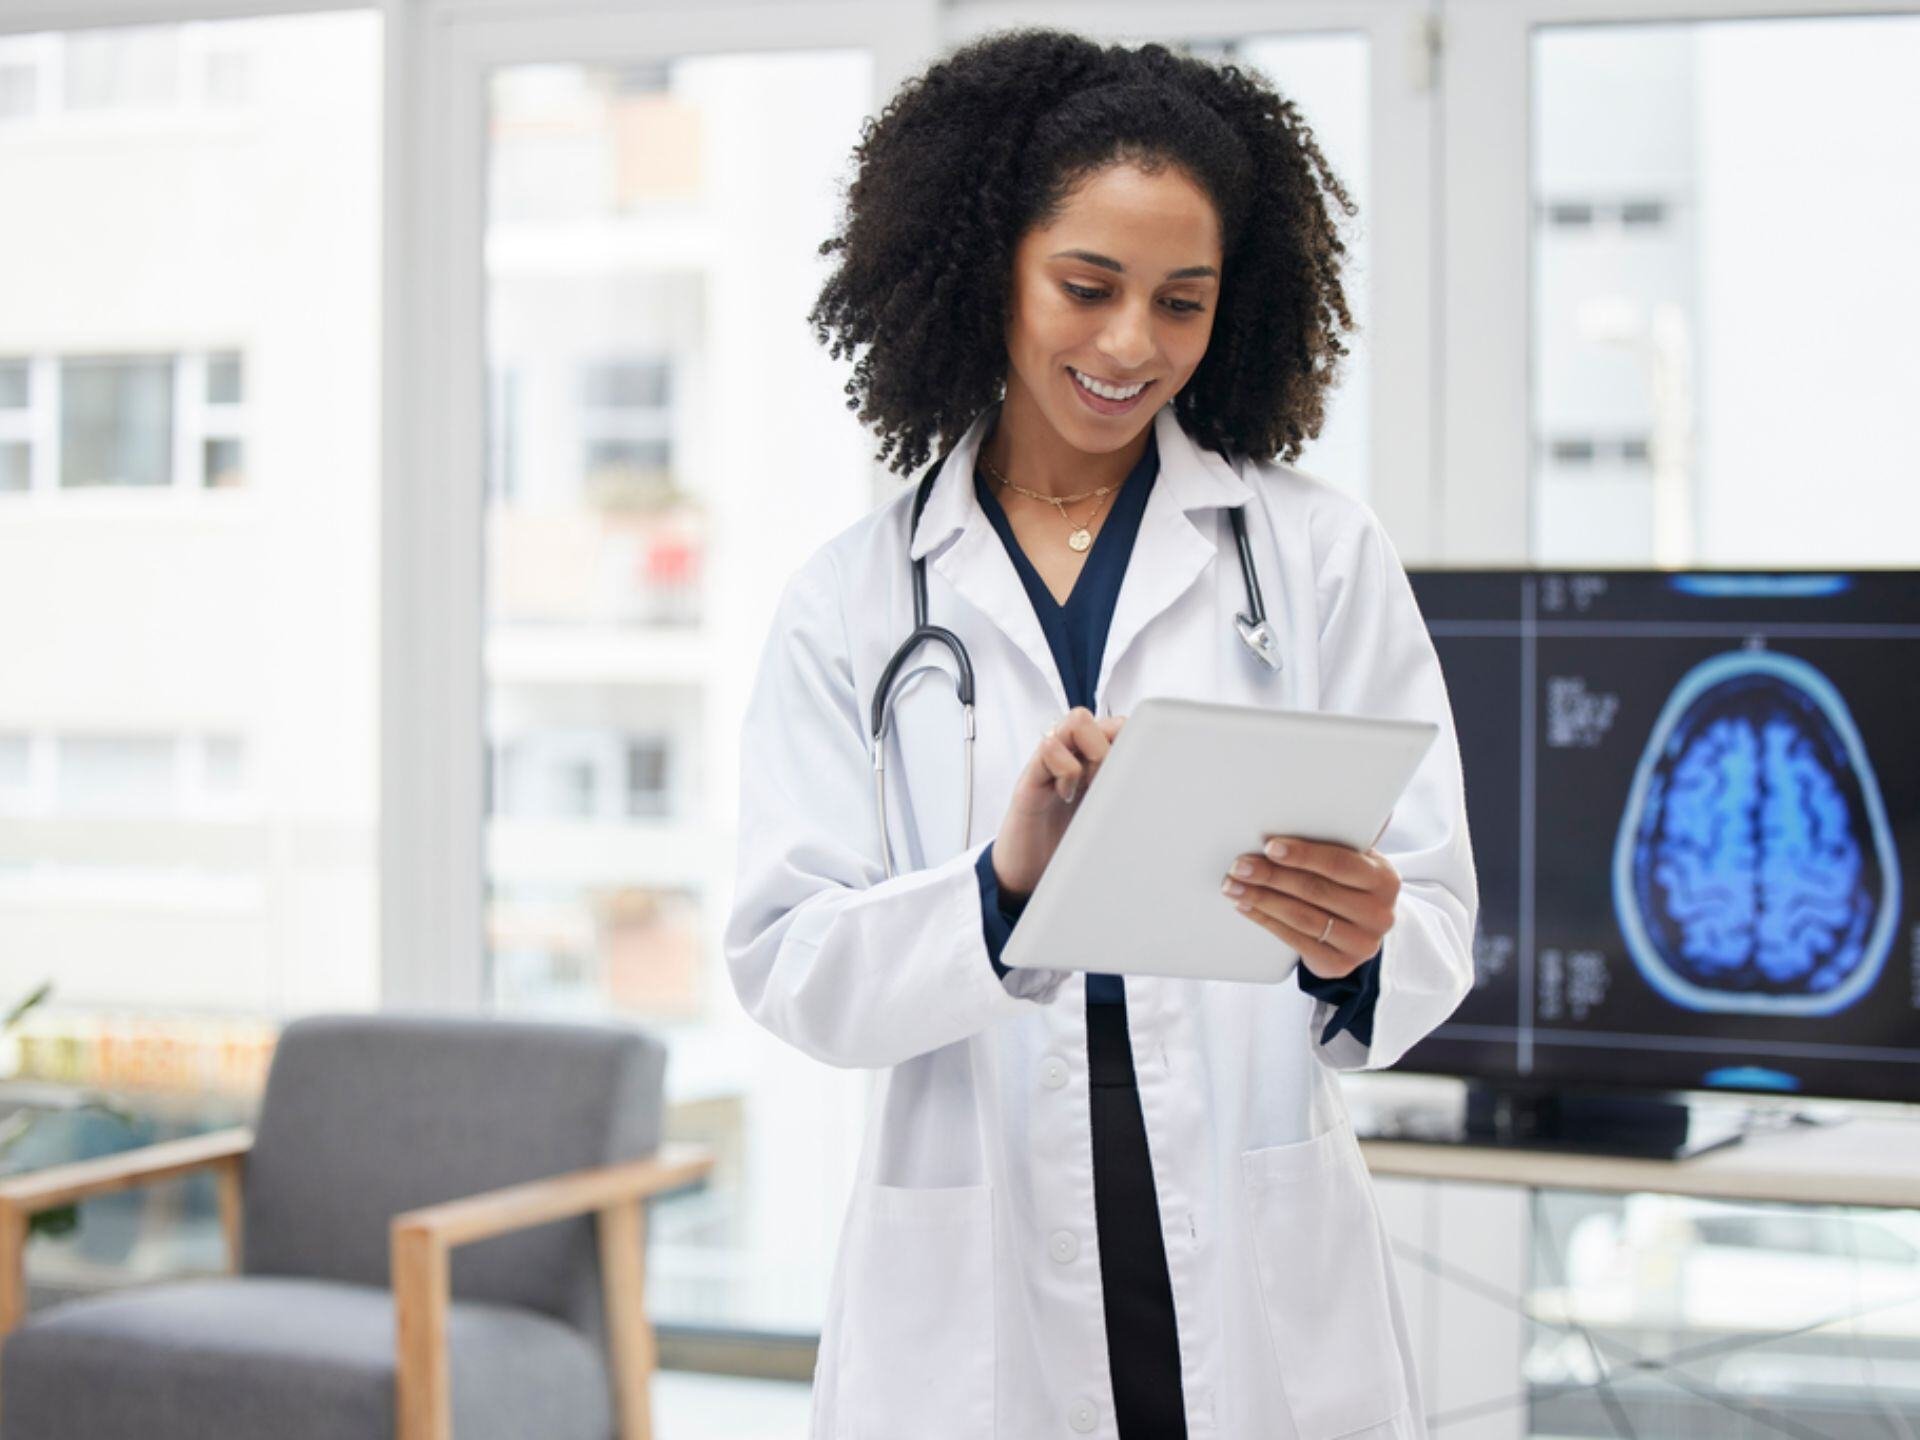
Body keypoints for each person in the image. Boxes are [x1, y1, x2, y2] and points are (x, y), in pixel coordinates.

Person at [724, 27, 1477, 1440]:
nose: (1132, 344)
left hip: (1250, 1245)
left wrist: (1363, 942)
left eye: (1181, 303)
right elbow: (792, 964)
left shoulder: (1315, 557)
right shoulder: (855, 599)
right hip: (979, 1265)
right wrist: (1003, 887)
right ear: (990, 268)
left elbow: (1433, 914)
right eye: (1087, 287)